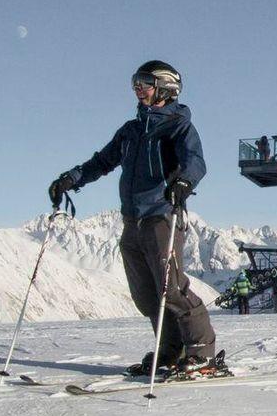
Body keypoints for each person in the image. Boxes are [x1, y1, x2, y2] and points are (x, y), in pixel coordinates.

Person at [49, 60, 223, 378]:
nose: (137, 88)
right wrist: (70, 179)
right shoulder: (131, 131)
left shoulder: (178, 126)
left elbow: (195, 161)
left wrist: (184, 182)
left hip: (162, 217)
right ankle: (170, 350)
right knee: (146, 294)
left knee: (172, 288)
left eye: (144, 82)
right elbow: (102, 161)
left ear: (165, 87)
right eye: (135, 82)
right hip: (132, 220)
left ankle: (201, 352)